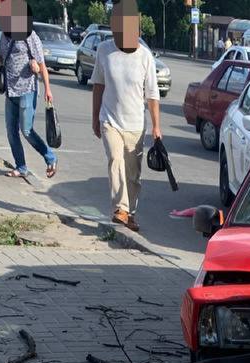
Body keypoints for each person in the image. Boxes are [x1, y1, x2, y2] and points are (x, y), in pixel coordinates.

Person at [91, 0, 161, 232]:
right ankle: (119, 208)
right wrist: (95, 117)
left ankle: (130, 213)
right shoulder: (104, 50)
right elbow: (98, 85)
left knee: (133, 175)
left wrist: (156, 127)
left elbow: (152, 95)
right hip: (110, 119)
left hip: (135, 124)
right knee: (115, 159)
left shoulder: (145, 57)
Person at [0, 0, 57, 181]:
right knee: (11, 131)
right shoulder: (5, 35)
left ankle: (50, 157)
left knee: (26, 130)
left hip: (28, 89)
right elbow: (3, 61)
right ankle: (21, 167)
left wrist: (47, 89)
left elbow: (42, 65)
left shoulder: (30, 36)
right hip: (10, 90)